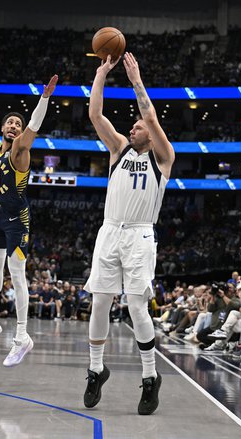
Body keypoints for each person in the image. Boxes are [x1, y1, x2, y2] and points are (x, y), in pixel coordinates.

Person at [82, 52, 175, 416]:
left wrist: (136, 81)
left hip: (139, 236)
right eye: (132, 126)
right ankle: (95, 369)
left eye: (137, 127)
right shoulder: (118, 149)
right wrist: (101, 74)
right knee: (100, 301)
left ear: (151, 135)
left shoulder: (163, 157)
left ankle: (150, 378)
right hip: (109, 231)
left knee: (136, 305)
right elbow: (95, 114)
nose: (132, 128)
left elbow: (150, 116)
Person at [0, 75, 58, 367]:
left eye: (17, 125)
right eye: (10, 123)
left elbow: (34, 125)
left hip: (16, 218)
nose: (14, 127)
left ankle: (22, 336)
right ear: (2, 128)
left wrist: (44, 98)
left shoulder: (21, 150)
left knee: (16, 272)